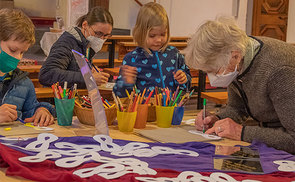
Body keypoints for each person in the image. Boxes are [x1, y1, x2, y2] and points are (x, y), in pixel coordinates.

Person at [183, 16, 295, 154]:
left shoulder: (278, 71)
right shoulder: (238, 58)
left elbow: (293, 139)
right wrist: (218, 119)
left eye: (214, 71)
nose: (211, 77)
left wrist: (241, 132)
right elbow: (237, 109)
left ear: (234, 56)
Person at [113, 2, 191, 97]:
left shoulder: (175, 54)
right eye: (152, 35)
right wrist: (126, 83)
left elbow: (187, 86)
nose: (158, 40)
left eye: (163, 34)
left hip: (171, 109)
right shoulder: (131, 59)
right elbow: (119, 94)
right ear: (140, 33)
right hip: (144, 110)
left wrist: (184, 79)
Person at [0, 9, 55, 126]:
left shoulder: (23, 82)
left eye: (22, 52)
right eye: (13, 50)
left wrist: (41, 111)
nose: (18, 58)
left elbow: (28, 112)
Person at [39, 6, 111, 89]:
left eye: (106, 35)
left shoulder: (86, 44)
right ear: (85, 25)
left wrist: (88, 71)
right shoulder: (66, 43)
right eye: (98, 33)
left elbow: (72, 69)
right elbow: (47, 75)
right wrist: (88, 78)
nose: (101, 39)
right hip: (59, 99)